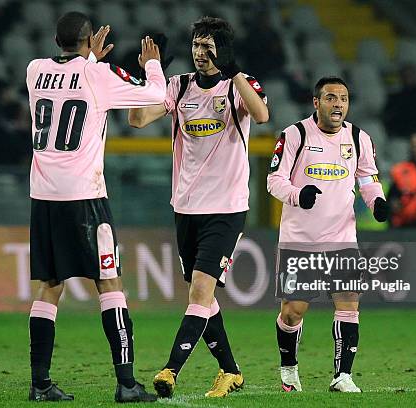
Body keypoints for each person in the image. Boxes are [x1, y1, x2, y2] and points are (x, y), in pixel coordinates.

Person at [25, 11, 166, 403]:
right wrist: (152, 62)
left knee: (49, 286)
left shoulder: (34, 70)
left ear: (57, 41)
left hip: (44, 196)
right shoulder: (99, 76)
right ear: (90, 41)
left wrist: (89, 58)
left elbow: (68, 79)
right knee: (109, 282)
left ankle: (40, 384)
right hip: (85, 196)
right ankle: (126, 383)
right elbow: (155, 94)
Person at [128, 16, 269, 399]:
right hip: (186, 206)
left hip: (226, 208)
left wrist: (234, 70)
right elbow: (138, 119)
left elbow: (261, 115)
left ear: (222, 51)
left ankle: (170, 369)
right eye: (196, 46)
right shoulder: (180, 86)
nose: (200, 54)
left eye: (208, 48)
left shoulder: (238, 86)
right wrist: (148, 74)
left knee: (200, 291)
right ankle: (230, 371)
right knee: (203, 297)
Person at [267, 76, 388, 393]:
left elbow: (368, 179)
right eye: (331, 97)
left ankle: (342, 376)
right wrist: (297, 195)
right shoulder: (295, 134)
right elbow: (274, 180)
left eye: (344, 99)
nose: (338, 104)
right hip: (300, 240)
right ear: (316, 102)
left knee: (349, 304)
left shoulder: (360, 138)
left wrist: (377, 203)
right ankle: (289, 370)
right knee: (293, 313)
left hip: (342, 237)